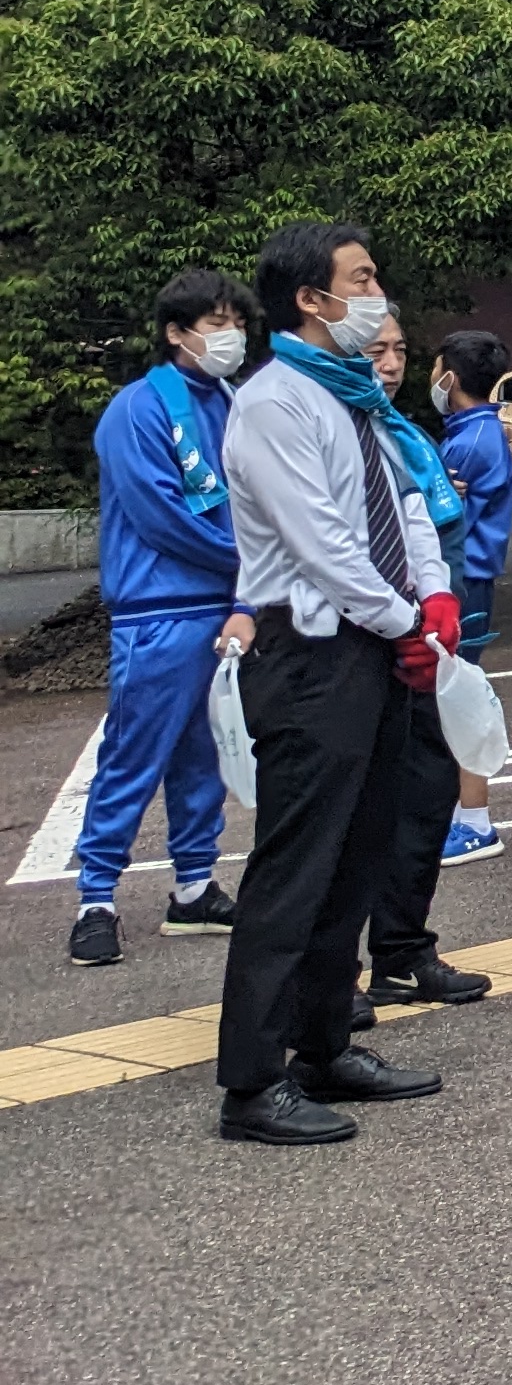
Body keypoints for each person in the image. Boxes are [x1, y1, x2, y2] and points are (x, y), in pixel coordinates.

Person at [211, 220, 461, 1147]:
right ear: (310, 299)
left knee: (358, 853)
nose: (377, 295)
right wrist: (403, 620)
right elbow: (320, 541)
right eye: (361, 280)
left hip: (373, 641)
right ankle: (251, 1081)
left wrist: (431, 596)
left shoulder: (354, 396)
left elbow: (401, 506)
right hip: (313, 651)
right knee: (296, 865)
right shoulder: (274, 403)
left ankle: (324, 1045)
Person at [69, 273, 259, 968]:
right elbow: (159, 516)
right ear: (176, 333)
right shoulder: (137, 408)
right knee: (133, 754)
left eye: (237, 322)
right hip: (159, 608)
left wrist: (250, 586)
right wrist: (254, 560)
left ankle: (193, 886)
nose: (230, 335)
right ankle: (95, 898)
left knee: (208, 753)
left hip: (224, 605)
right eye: (215, 323)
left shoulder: (236, 401)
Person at [359, 317, 496, 1014]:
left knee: (425, 794)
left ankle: (403, 952)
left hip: (427, 644)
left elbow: (426, 526)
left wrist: (436, 606)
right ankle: (324, 980)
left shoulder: (401, 432)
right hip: (357, 643)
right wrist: (399, 619)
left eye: (400, 351)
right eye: (375, 350)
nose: (390, 363)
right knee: (348, 813)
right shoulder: (319, 426)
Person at [428, 328, 512, 864]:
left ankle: (475, 820)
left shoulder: (470, 440)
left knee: (458, 695)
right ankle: (461, 814)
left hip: (464, 580)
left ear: (451, 377)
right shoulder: (475, 430)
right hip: (469, 578)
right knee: (453, 692)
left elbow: (446, 518)